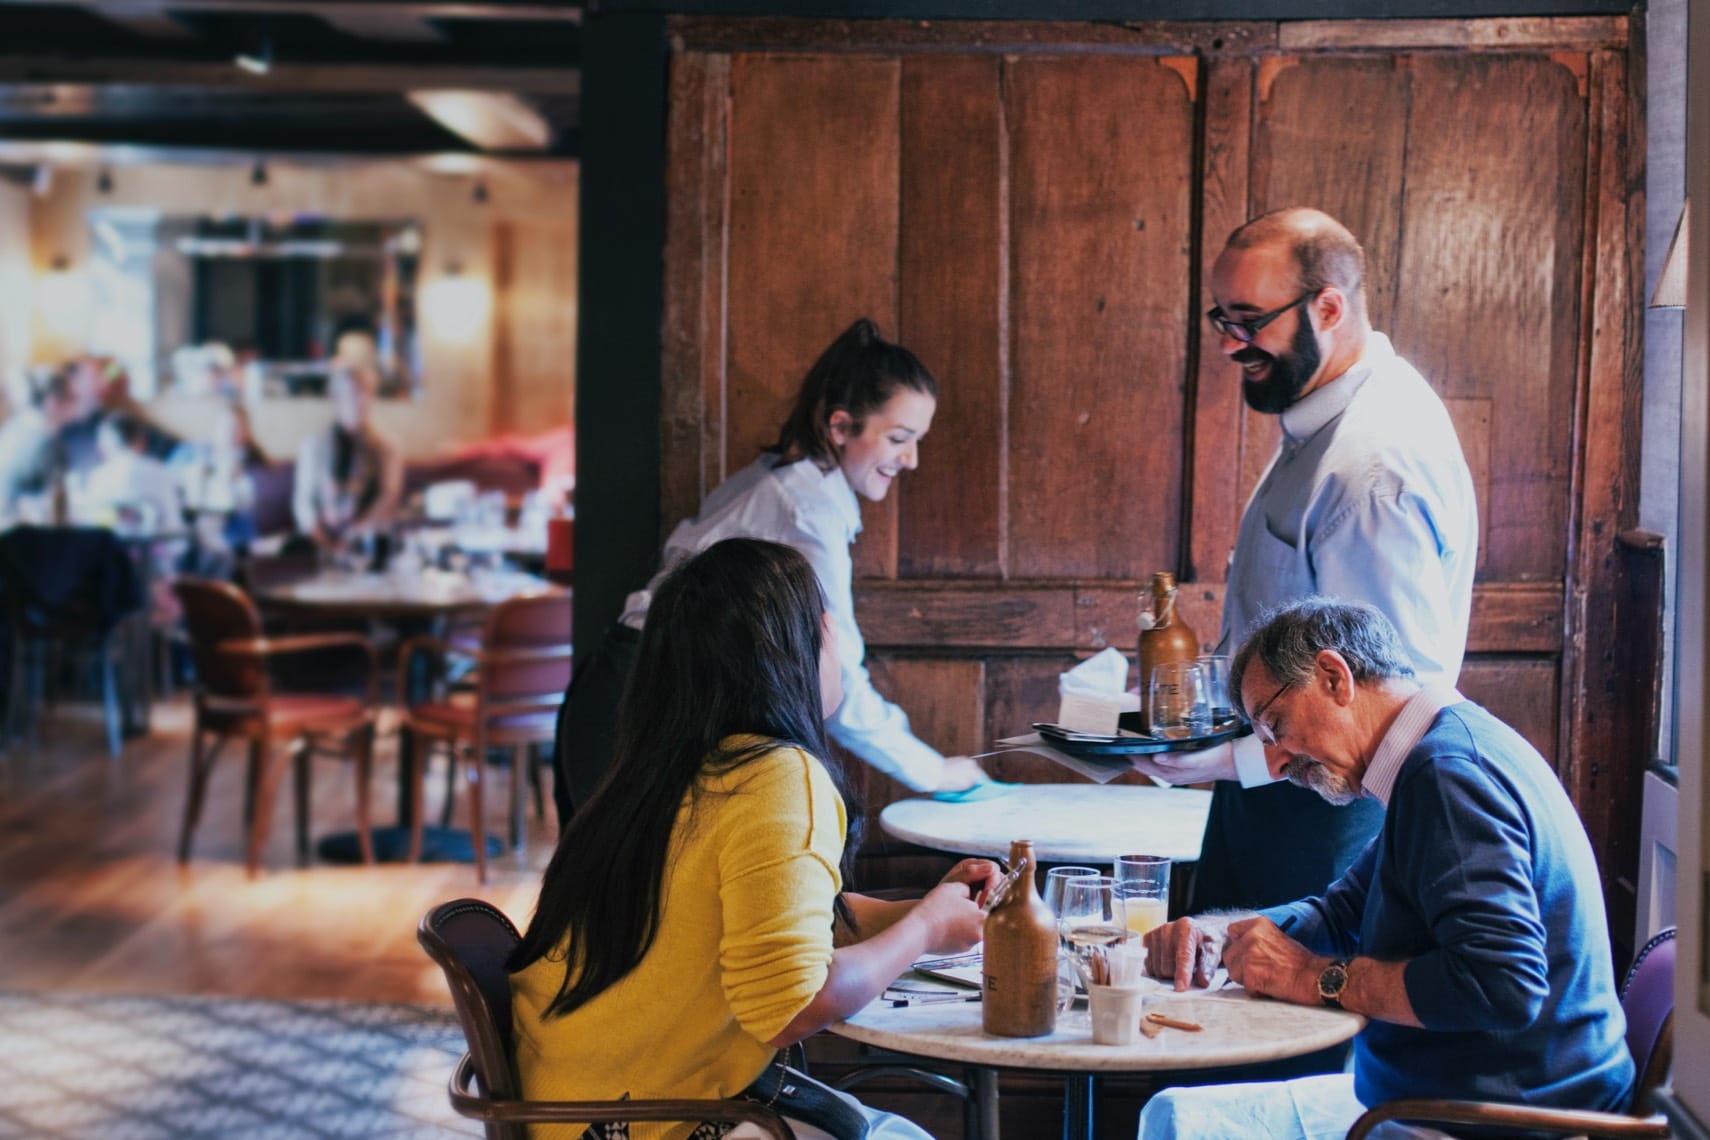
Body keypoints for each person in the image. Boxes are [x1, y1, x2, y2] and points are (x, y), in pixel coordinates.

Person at [511, 538, 997, 1140]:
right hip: (639, 1119)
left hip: (564, 1104)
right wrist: (923, 932)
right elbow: (793, 1006)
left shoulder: (667, 769)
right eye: (831, 626)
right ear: (805, 646)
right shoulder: (779, 777)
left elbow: (756, 919)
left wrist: (921, 913)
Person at [1136, 598, 1632, 1140]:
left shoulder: (1445, 774)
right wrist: (1220, 936)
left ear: (1333, 676)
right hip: (1449, 1102)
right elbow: (1344, 911)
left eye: (1274, 725)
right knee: (1181, 1114)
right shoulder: (1439, 751)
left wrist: (1310, 977)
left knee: (1187, 1125)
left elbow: (1501, 985)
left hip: (1501, 1121)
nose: (1276, 762)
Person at [1131, 207, 1478, 913]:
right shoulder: (1323, 423)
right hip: (1268, 791)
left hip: (1327, 818)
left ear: (1328, 307)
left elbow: (1385, 705)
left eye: (1251, 321)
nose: (1232, 345)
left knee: (1297, 1020)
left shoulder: (1370, 471)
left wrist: (1222, 760)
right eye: (1222, 320)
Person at [552, 318, 994, 825]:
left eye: (917, 440)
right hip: (638, 705)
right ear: (840, 426)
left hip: (621, 688)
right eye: (899, 437)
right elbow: (838, 680)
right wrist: (932, 771)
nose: (911, 460)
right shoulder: (807, 512)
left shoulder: (775, 482)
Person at [291, 364, 403, 547]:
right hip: (321, 544)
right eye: (353, 393)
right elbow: (303, 504)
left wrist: (356, 535)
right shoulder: (313, 446)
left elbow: (388, 497)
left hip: (368, 544)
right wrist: (325, 542)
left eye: (366, 392)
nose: (361, 400)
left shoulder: (386, 448)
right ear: (336, 398)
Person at [171, 400, 269, 578]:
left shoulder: (253, 465)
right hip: (192, 530)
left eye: (237, 428)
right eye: (227, 426)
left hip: (232, 537)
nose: (231, 433)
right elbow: (172, 487)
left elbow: (245, 506)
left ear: (246, 432)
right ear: (216, 428)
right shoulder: (191, 454)